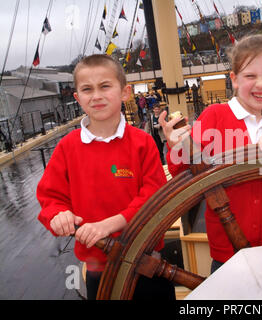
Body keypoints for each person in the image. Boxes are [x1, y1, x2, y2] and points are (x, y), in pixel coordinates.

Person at [36, 54, 175, 300]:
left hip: (147, 262)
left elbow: (154, 194)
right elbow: (50, 197)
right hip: (98, 269)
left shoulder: (142, 142)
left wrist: (109, 225)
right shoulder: (67, 148)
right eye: (87, 89)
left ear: (125, 92)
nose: (96, 95)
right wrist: (59, 215)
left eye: (105, 86)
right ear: (78, 98)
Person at [160, 34, 262, 273]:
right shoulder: (214, 116)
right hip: (228, 252)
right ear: (234, 79)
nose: (261, 84)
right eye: (250, 76)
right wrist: (177, 145)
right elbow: (183, 170)